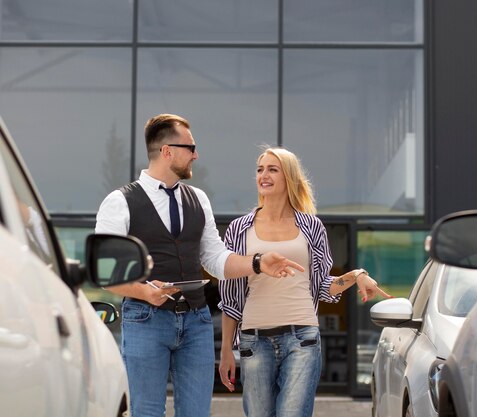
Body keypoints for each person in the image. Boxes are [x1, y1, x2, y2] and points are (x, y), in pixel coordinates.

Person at [95, 114, 304, 417]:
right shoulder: (119, 202)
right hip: (145, 319)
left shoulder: (198, 199)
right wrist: (142, 291)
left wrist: (258, 263)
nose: (196, 154)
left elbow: (216, 259)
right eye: (190, 147)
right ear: (167, 151)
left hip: (196, 321)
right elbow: (105, 272)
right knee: (147, 412)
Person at [218, 147, 392, 417]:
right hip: (254, 341)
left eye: (272, 169)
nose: (264, 175)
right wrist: (227, 350)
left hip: (302, 339)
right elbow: (230, 297)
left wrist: (357, 275)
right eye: (260, 169)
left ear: (289, 177)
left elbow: (323, 285)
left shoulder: (311, 227)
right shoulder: (239, 229)